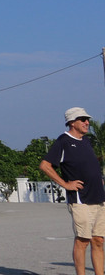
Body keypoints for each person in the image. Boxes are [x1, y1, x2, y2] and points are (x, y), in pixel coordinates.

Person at [40, 107, 105, 275]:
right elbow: (45, 166)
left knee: (98, 240)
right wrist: (66, 184)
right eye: (82, 119)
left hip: (98, 197)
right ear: (71, 122)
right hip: (81, 199)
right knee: (83, 241)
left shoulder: (86, 141)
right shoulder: (64, 141)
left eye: (87, 119)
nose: (87, 122)